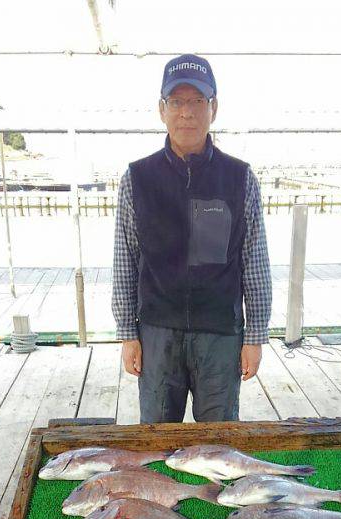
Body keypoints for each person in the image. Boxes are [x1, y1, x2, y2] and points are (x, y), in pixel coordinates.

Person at [112, 54, 272, 423]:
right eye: (177, 102)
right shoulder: (137, 178)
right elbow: (125, 259)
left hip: (220, 333)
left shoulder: (240, 178)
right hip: (157, 332)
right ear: (162, 110)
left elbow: (255, 262)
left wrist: (255, 337)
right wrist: (127, 334)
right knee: (155, 435)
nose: (187, 113)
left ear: (213, 108)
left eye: (197, 101)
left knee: (218, 442)